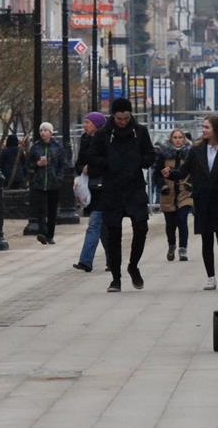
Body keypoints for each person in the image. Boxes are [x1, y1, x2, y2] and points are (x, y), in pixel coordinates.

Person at [86, 97, 154, 292]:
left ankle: (133, 265)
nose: (123, 122)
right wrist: (108, 163)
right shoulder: (103, 135)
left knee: (141, 228)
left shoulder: (139, 132)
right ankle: (116, 278)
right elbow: (92, 157)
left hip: (135, 188)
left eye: (126, 118)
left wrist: (138, 161)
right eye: (119, 118)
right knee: (113, 234)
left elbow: (150, 155)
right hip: (112, 189)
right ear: (113, 116)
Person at [186, 114, 218, 290]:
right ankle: (211, 276)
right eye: (203, 127)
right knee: (206, 240)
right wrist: (170, 174)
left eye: (206, 127)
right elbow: (185, 170)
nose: (203, 130)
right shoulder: (196, 150)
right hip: (203, 201)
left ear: (216, 129)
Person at [72, 111, 106, 273]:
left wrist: (90, 168)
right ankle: (110, 260)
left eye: (88, 122)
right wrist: (82, 169)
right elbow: (78, 163)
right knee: (101, 226)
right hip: (91, 187)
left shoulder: (105, 140)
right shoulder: (85, 140)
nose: (85, 125)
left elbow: (107, 163)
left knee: (95, 224)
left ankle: (86, 261)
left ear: (97, 125)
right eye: (84, 122)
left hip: (104, 187)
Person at [155, 128, 194, 262]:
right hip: (168, 193)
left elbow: (194, 172)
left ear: (184, 139)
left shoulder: (190, 153)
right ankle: (171, 245)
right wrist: (162, 186)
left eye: (180, 137)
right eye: (175, 137)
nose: (178, 140)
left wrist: (191, 184)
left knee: (182, 220)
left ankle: (183, 249)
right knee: (170, 224)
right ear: (171, 139)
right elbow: (157, 174)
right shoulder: (163, 154)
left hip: (184, 192)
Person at [27, 122, 66, 246]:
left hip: (53, 183)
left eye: (46, 130)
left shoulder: (58, 147)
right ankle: (43, 233)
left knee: (52, 210)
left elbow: (62, 164)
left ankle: (50, 235)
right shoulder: (35, 147)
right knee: (41, 210)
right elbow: (28, 165)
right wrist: (37, 165)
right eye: (41, 130)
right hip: (39, 183)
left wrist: (59, 178)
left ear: (51, 132)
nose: (43, 132)